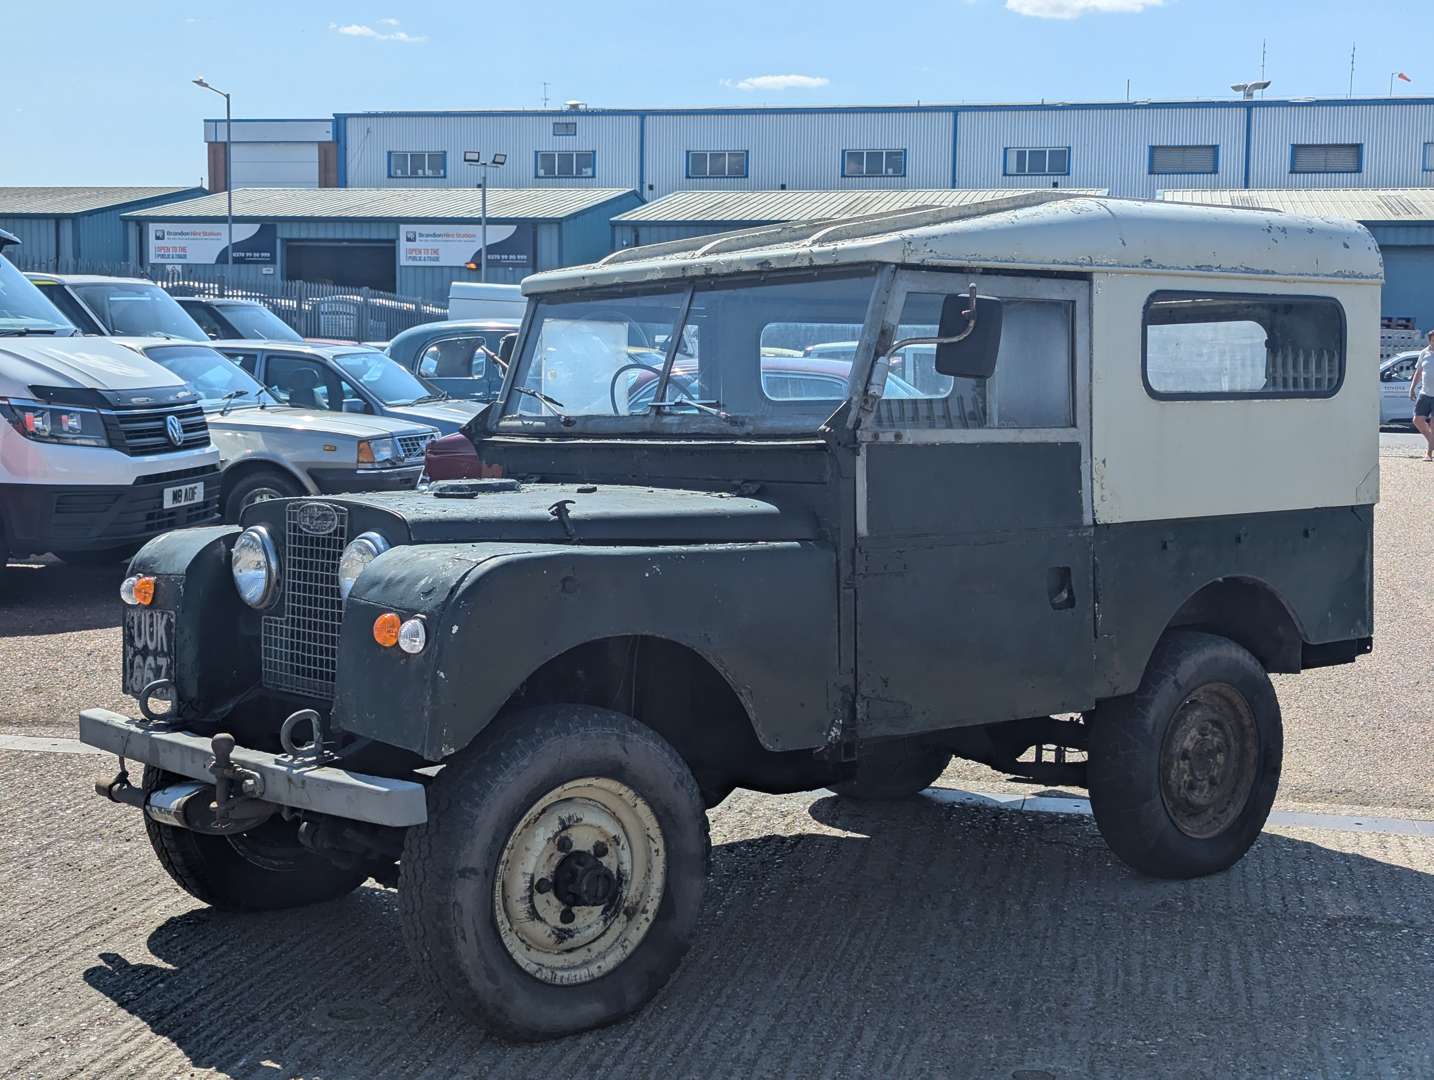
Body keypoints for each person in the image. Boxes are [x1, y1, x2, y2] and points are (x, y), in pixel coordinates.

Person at [1413, 330, 1434, 461]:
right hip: (1425, 393)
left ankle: (1429, 453)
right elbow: (1418, 372)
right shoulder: (1424, 353)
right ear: (1430, 340)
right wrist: (1412, 388)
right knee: (1417, 420)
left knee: (1433, 424)